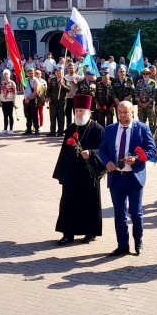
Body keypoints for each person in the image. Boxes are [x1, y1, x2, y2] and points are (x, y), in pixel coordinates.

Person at [99, 101, 157, 257]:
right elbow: (103, 150)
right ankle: (122, 245)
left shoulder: (142, 129)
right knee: (119, 213)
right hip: (116, 178)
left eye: (126, 112)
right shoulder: (110, 129)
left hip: (134, 178)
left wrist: (137, 159)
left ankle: (138, 241)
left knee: (135, 213)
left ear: (133, 113)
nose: (122, 115)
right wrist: (107, 162)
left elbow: (152, 150)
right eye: (120, 112)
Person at [52, 94, 105, 245]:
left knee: (89, 203)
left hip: (89, 174)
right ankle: (67, 233)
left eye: (82, 110)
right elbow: (64, 151)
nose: (79, 114)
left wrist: (91, 153)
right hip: (72, 173)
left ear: (89, 111)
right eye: (77, 111)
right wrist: (61, 172)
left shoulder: (98, 129)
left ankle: (90, 232)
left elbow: (104, 151)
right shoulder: (70, 128)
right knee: (68, 202)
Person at [46, 66, 70, 137]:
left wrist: (63, 86)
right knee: (52, 117)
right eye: (57, 72)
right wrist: (48, 97)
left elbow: (69, 89)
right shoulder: (52, 80)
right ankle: (52, 132)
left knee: (61, 117)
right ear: (56, 73)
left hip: (61, 102)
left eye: (60, 73)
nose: (59, 74)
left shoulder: (65, 80)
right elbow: (48, 90)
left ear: (62, 73)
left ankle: (60, 132)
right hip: (53, 102)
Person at [0, 69, 17, 134]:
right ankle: (5, 129)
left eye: (7, 74)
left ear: (9, 75)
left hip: (10, 101)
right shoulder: (2, 83)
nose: (6, 76)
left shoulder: (12, 83)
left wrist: (14, 102)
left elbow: (15, 93)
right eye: (4, 74)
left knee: (10, 115)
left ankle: (11, 129)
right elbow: (0, 92)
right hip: (3, 101)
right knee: (5, 115)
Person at [23, 68, 40, 134]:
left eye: (32, 73)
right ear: (28, 73)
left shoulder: (35, 81)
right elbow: (24, 89)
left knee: (34, 115)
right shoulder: (26, 80)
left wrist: (29, 98)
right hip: (26, 100)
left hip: (32, 100)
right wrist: (26, 99)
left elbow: (36, 91)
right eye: (30, 73)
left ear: (34, 73)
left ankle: (36, 129)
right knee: (27, 115)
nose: (31, 74)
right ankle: (28, 129)